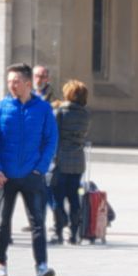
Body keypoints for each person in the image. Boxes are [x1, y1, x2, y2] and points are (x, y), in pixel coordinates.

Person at [0, 62, 58, 276]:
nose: (11, 85)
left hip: (32, 175)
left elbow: (51, 140)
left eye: (16, 81)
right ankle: (0, 264)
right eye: (9, 81)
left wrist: (41, 168)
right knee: (2, 222)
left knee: (38, 222)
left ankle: (41, 266)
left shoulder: (43, 109)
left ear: (28, 83)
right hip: (5, 176)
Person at [51, 80, 90, 244]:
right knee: (74, 196)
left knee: (57, 197)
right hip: (78, 160)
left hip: (61, 160)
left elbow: (54, 136)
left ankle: (59, 229)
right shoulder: (85, 114)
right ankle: (74, 233)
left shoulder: (59, 112)